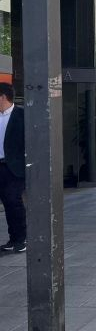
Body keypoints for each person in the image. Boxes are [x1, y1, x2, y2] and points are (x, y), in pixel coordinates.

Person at [0, 83, 25, 253]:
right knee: (7, 203)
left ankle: (21, 239)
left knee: (13, 201)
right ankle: (12, 239)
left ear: (3, 97)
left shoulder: (22, 115)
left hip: (14, 167)